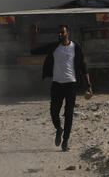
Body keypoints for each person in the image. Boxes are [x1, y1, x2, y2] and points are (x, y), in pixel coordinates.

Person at [30, 24, 92, 152]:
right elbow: (33, 51)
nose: (59, 35)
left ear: (67, 33)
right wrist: (34, 35)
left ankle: (66, 141)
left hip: (71, 84)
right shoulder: (54, 47)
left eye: (62, 33)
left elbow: (83, 66)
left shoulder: (75, 47)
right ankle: (59, 129)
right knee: (54, 112)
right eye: (58, 33)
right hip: (57, 84)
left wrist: (89, 85)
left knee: (69, 114)